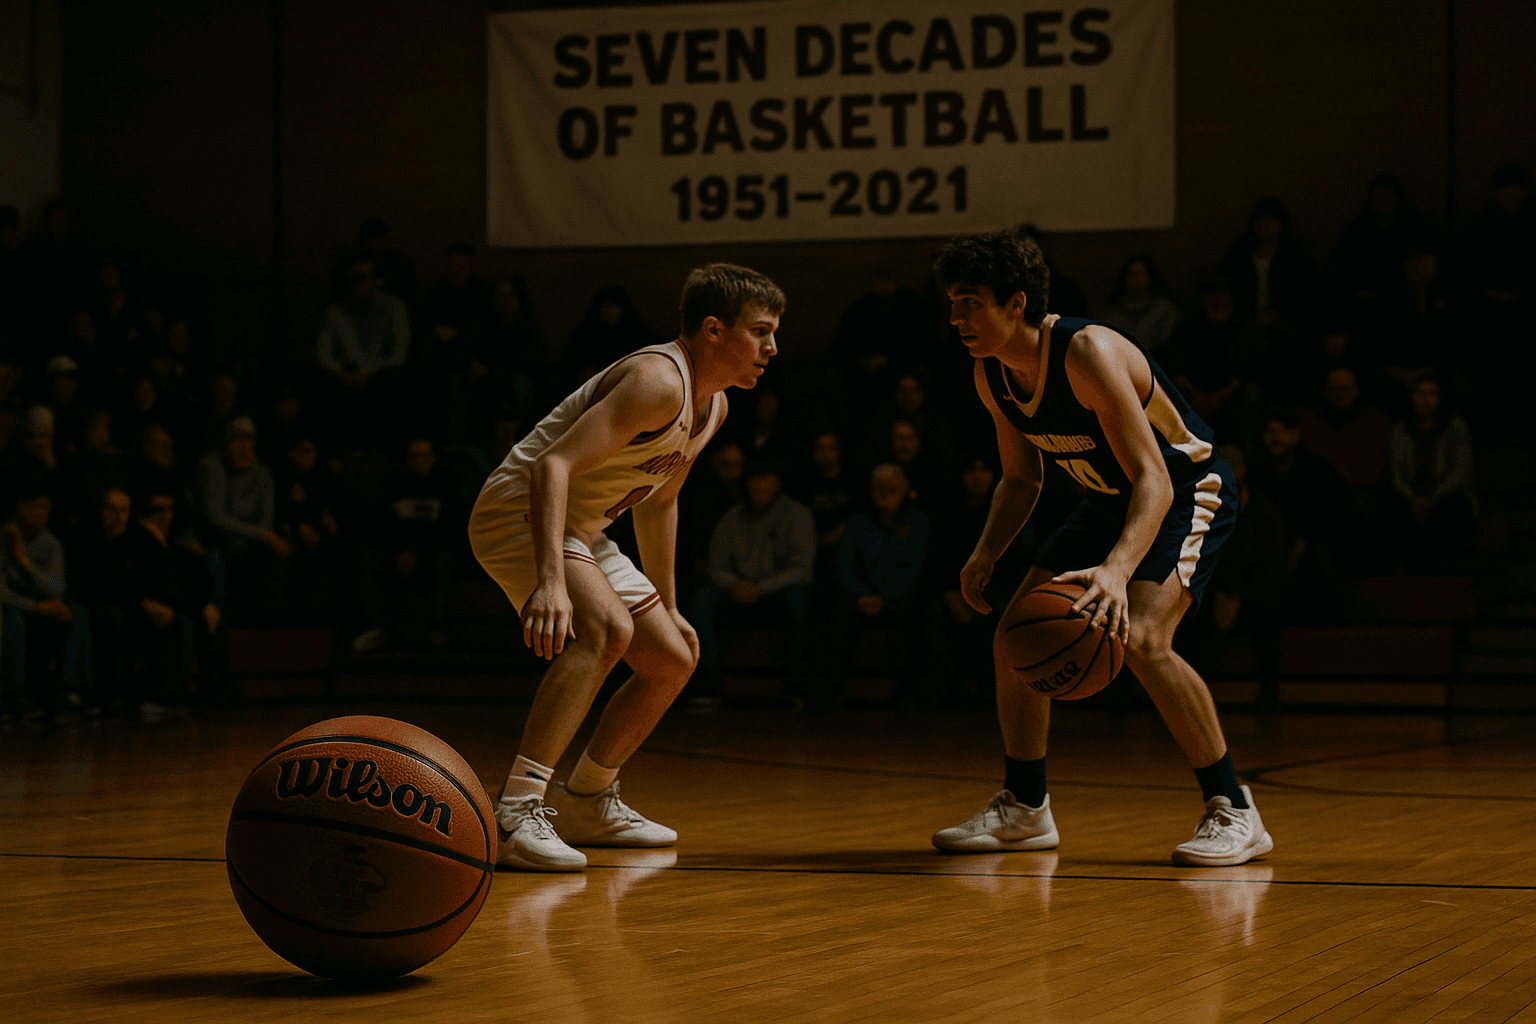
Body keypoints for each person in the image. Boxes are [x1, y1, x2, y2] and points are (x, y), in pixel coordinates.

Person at [929, 230, 1272, 867]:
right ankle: (1026, 809)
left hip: (1187, 488)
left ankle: (1234, 810)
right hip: (1111, 498)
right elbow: (1021, 477)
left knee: (1142, 639)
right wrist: (985, 552)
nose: (956, 317)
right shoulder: (991, 373)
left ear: (1016, 303)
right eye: (952, 302)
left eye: (970, 301)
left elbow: (1155, 478)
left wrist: (1116, 572)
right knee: (1013, 638)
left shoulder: (1087, 352)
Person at [468, 263, 783, 872]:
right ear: (714, 331)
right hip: (520, 511)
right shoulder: (657, 381)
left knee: (672, 658)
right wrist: (552, 584)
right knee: (605, 631)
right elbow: (550, 467)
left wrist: (665, 602)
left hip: (581, 528)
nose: (773, 347)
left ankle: (586, 799)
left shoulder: (712, 406)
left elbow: (660, 500)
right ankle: (516, 811)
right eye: (762, 331)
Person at [686, 460, 815, 711]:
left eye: (768, 492)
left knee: (800, 602)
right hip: (736, 590)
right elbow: (716, 565)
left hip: (777, 591)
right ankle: (708, 688)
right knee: (700, 601)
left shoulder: (797, 515)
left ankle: (796, 689)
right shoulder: (731, 518)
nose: (761, 496)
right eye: (756, 490)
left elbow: (801, 569)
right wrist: (735, 585)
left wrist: (762, 588)